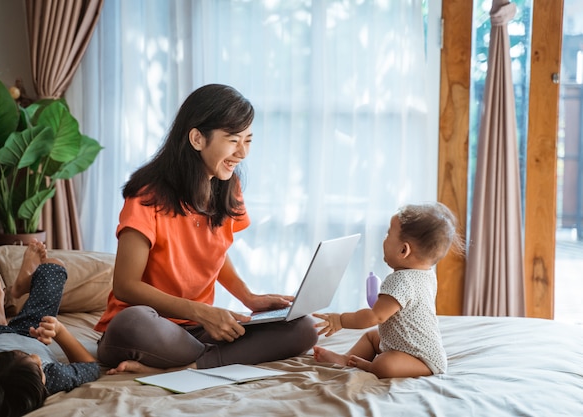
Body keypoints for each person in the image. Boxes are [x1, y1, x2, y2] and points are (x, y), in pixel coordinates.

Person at [95, 84, 318, 374]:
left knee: (304, 327)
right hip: (150, 328)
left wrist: (248, 298)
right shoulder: (146, 196)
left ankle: (192, 364)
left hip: (195, 332)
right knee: (133, 322)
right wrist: (200, 311)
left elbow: (215, 251)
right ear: (198, 138)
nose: (242, 152)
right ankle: (218, 359)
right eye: (233, 140)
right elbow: (125, 285)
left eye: (248, 140)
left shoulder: (229, 187)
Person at [312, 202, 464, 379]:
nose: (384, 239)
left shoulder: (400, 280)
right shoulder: (427, 274)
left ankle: (368, 366)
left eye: (388, 234)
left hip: (422, 360)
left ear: (403, 250)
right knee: (371, 337)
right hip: (403, 345)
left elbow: (375, 317)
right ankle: (347, 359)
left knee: (385, 363)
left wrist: (341, 320)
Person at [0, 240, 101, 417]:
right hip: (32, 333)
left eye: (24, 355)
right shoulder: (53, 378)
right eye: (38, 366)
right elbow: (91, 367)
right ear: (41, 385)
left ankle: (3, 314)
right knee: (54, 266)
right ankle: (13, 296)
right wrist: (60, 331)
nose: (36, 357)